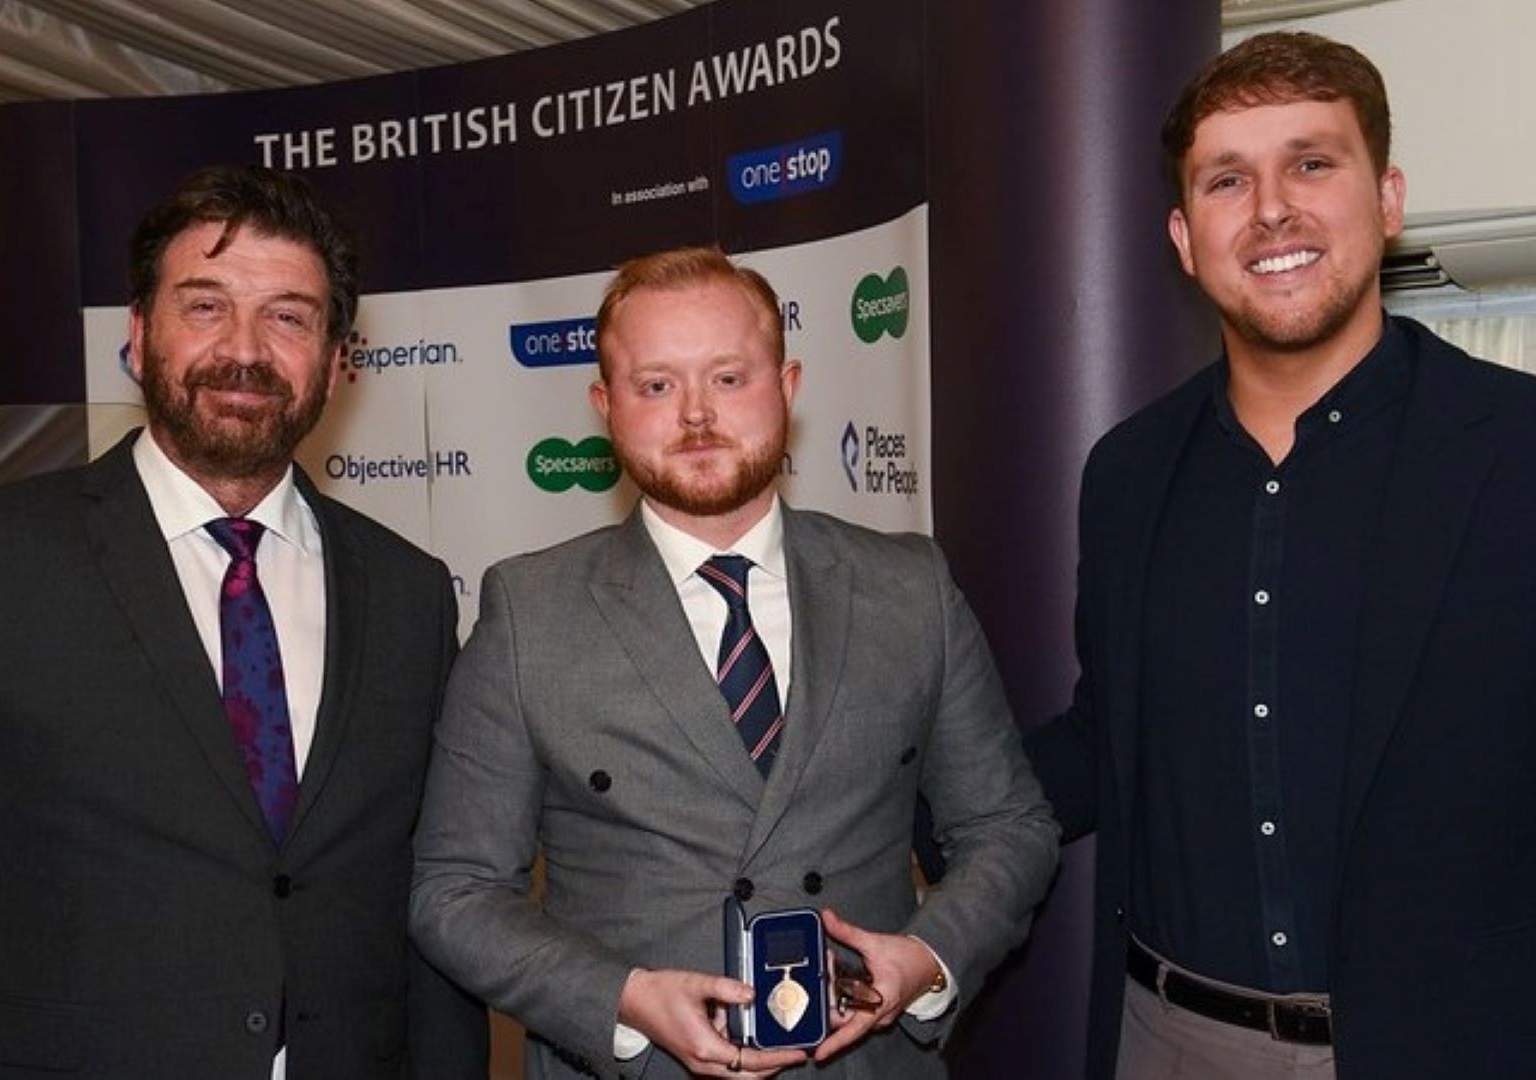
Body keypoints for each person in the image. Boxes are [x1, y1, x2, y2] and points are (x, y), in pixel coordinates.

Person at [1025, 30, 1536, 1080]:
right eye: (1227, 180)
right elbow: (1108, 738)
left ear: (1387, 199)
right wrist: (889, 808)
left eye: (1311, 163)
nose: (1270, 210)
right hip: (1165, 1042)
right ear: (1182, 235)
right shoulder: (1126, 474)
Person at [0, 164, 486, 1078]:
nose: (243, 349)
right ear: (138, 336)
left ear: (335, 360)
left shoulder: (408, 593)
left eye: (288, 316)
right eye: (204, 307)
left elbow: (424, 907)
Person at [409, 246, 1059, 1078]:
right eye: (656, 386)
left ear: (786, 387)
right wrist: (622, 997)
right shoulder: (529, 612)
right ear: (604, 405)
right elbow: (455, 889)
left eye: (728, 378)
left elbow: (1008, 826)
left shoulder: (909, 587)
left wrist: (928, 958)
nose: (695, 416)